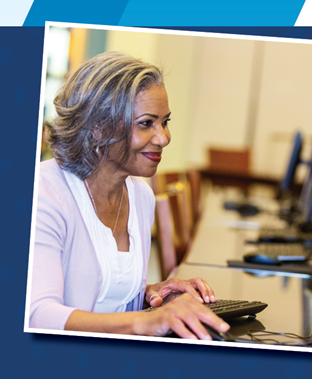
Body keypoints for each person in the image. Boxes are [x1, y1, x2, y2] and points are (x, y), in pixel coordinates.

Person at [29, 51, 229, 340]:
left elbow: (100, 297)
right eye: (146, 123)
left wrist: (151, 296)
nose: (163, 138)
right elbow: (38, 314)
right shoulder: (45, 193)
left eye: (165, 122)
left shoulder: (140, 195)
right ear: (97, 127)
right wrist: (145, 321)